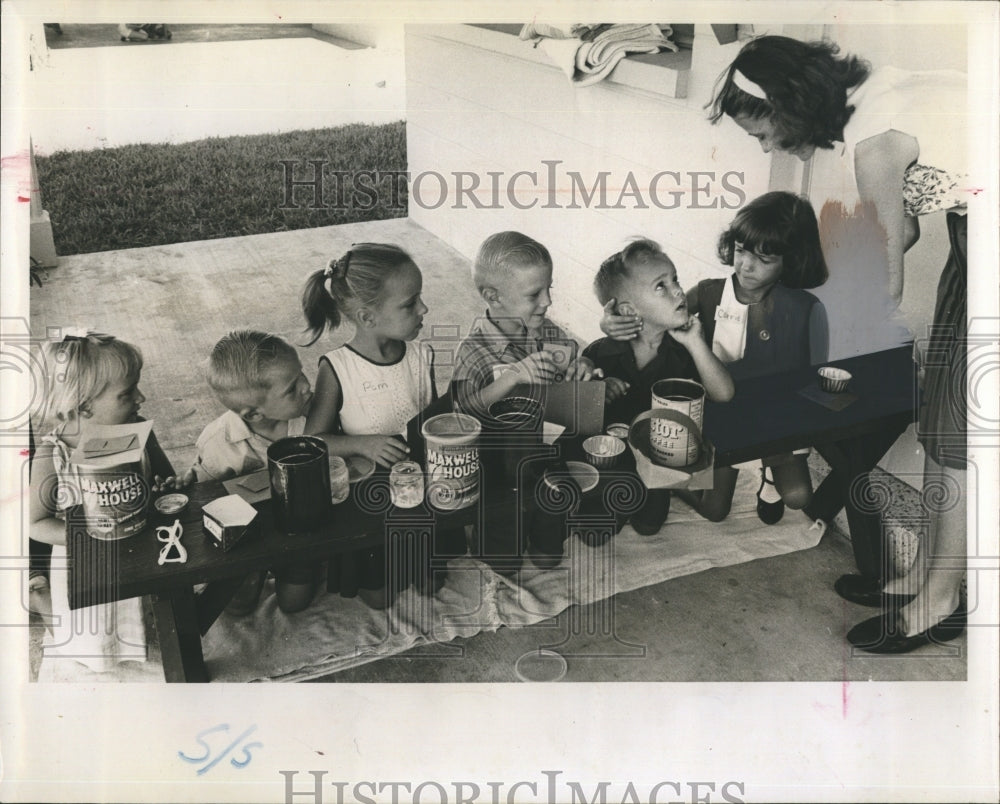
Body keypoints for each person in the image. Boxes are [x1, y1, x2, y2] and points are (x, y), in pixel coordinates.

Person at [709, 35, 969, 651]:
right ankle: (928, 578)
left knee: (962, 437)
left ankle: (941, 601)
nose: (770, 147)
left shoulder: (876, 139)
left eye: (763, 133)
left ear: (786, 105)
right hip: (972, 236)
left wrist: (817, 341)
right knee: (943, 425)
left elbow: (888, 281)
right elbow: (900, 230)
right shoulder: (875, 96)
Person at [600, 192, 829, 525]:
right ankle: (665, 481)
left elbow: (811, 380)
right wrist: (610, 323)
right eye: (740, 251)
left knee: (798, 496)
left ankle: (768, 474)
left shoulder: (803, 308)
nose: (746, 266)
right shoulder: (711, 292)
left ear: (790, 260)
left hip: (772, 414)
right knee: (714, 510)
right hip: (718, 411)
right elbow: (660, 314)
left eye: (764, 259)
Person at [29, 331, 188, 673]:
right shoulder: (53, 453)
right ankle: (45, 603)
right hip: (89, 562)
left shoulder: (138, 430)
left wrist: (167, 487)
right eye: (127, 394)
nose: (141, 398)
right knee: (97, 633)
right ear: (83, 405)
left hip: (141, 547)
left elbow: (163, 478)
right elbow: (36, 523)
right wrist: (87, 530)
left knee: (153, 618)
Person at [302, 243, 442, 606]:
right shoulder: (337, 369)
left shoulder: (420, 355)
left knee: (431, 585)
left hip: (418, 492)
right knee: (378, 598)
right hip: (369, 499)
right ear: (367, 317)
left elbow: (435, 418)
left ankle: (418, 553)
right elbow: (313, 442)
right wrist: (363, 444)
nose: (423, 309)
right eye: (410, 304)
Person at [452, 231, 596, 569]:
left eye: (549, 289)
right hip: (497, 470)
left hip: (547, 458)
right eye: (534, 294)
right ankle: (482, 533)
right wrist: (513, 376)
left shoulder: (550, 334)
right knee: (504, 563)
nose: (547, 301)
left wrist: (583, 367)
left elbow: (569, 374)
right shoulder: (473, 351)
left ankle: (544, 526)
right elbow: (460, 413)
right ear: (493, 296)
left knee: (548, 558)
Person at [585, 239, 735, 535]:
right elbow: (580, 412)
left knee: (649, 525)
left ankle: (663, 493)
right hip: (612, 465)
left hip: (659, 463)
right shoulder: (601, 353)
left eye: (675, 279)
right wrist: (598, 388)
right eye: (660, 286)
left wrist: (695, 342)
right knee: (597, 533)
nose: (678, 290)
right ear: (629, 310)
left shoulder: (681, 353)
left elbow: (724, 394)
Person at [188, 330, 319, 615]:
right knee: (238, 608)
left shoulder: (315, 418)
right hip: (247, 540)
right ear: (254, 415)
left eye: (302, 374)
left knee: (293, 604)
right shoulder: (217, 443)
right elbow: (204, 501)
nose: (307, 387)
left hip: (297, 535)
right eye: (291, 388)